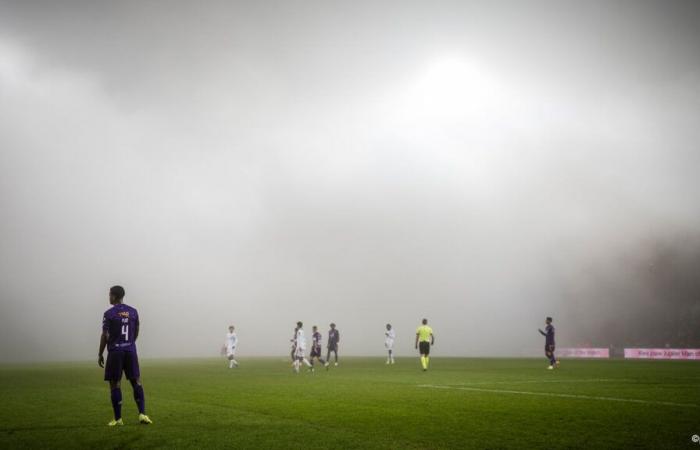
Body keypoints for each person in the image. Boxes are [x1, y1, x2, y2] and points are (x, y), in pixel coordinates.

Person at [98, 285, 152, 426]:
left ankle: (118, 419)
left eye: (110, 295)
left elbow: (105, 335)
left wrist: (100, 353)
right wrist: (130, 343)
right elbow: (137, 329)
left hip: (115, 352)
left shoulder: (109, 313)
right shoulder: (133, 312)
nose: (108, 297)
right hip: (130, 351)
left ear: (114, 296)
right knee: (136, 381)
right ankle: (142, 414)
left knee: (115, 384)